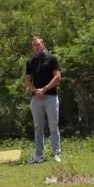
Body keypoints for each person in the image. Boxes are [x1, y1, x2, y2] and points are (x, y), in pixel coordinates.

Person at [25, 36, 62, 164]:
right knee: (38, 128)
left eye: (38, 44)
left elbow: (57, 77)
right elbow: (27, 80)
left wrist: (44, 89)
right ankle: (38, 155)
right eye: (34, 45)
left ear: (43, 44)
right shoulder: (31, 62)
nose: (36, 47)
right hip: (36, 98)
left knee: (53, 126)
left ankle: (56, 153)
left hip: (50, 96)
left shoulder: (52, 59)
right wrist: (36, 91)